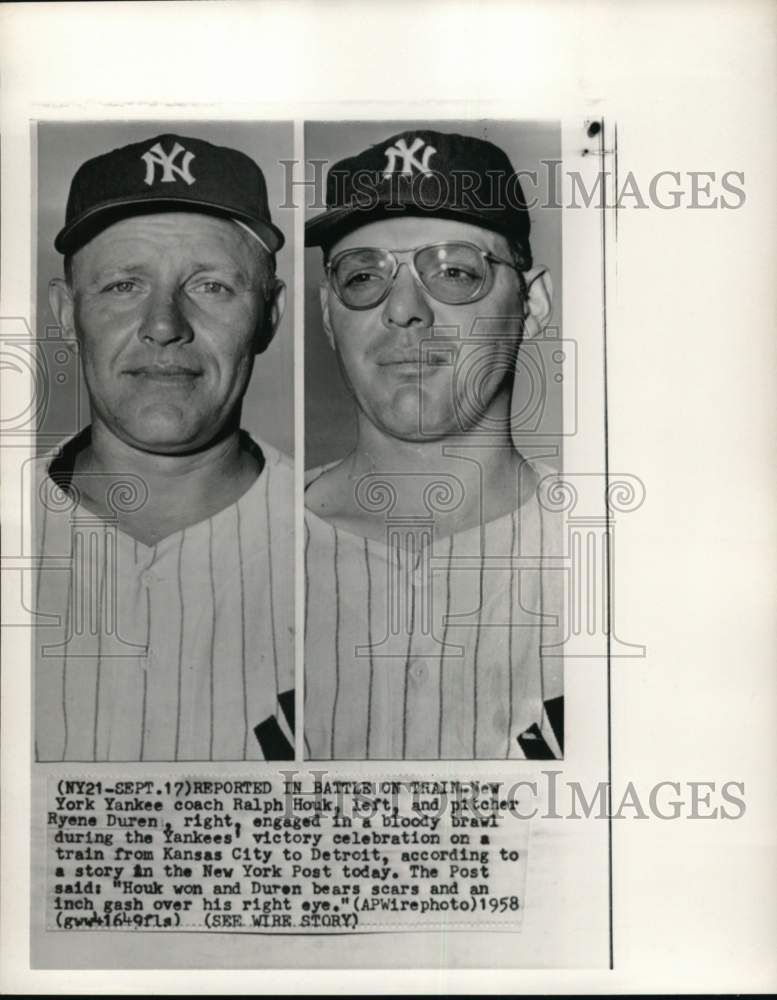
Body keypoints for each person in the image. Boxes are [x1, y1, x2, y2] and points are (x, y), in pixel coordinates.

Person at [304, 128, 564, 760]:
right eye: (364, 275)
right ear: (327, 315)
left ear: (532, 305)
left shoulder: (622, 555)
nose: (405, 310)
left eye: (453, 271)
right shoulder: (244, 544)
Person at [34, 132, 294, 762]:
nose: (163, 326)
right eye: (124, 286)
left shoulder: (353, 549)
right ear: (66, 313)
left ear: (269, 316)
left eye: (211, 287)